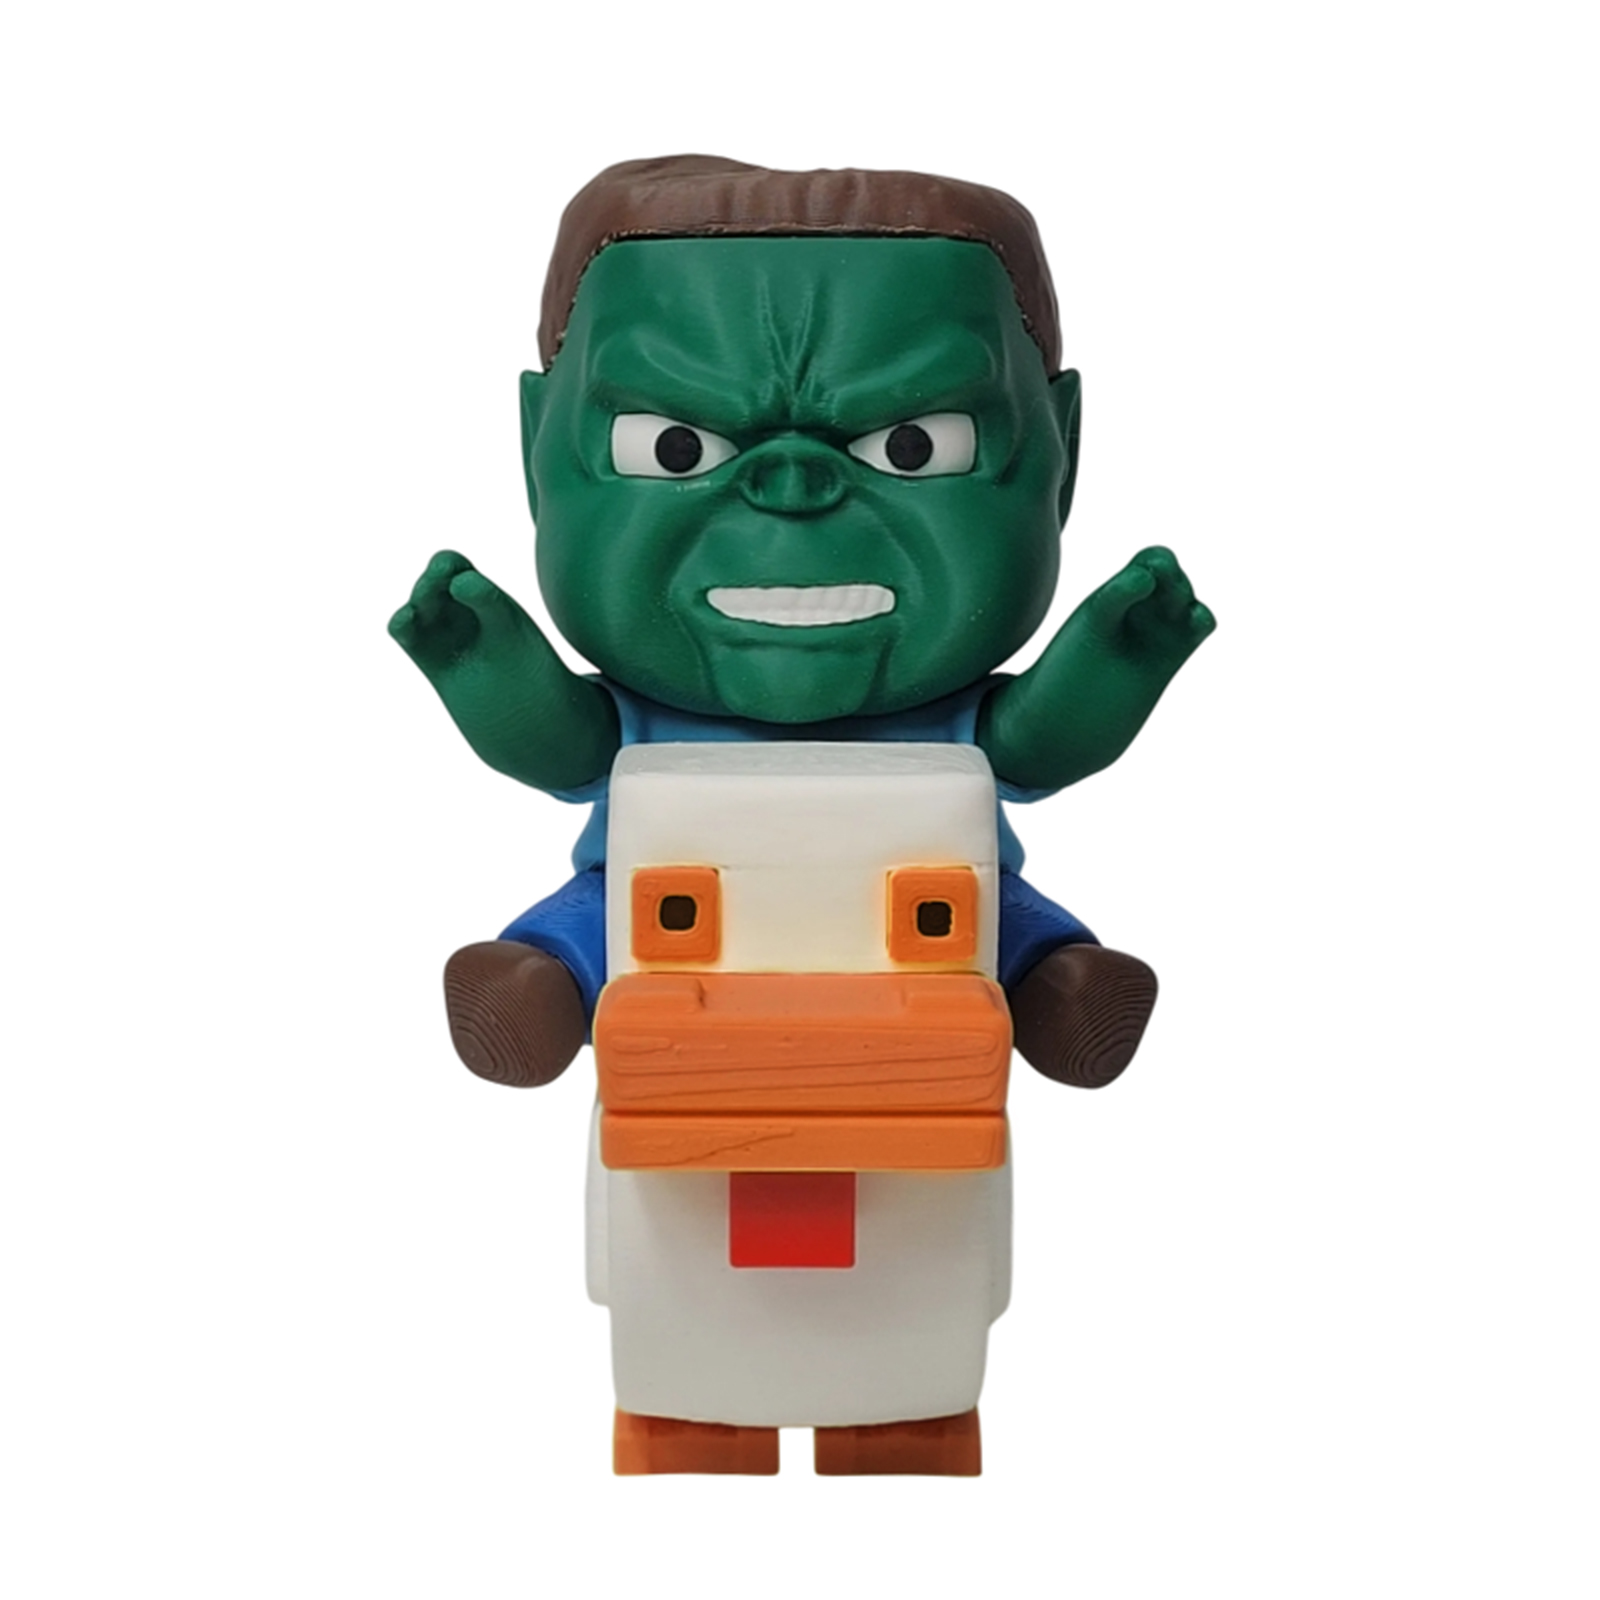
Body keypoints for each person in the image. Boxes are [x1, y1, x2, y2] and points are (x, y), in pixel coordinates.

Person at [389, 156, 1215, 1091]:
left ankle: (1056, 990)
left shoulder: (949, 724)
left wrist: (1118, 656)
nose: (790, 494)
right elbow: (564, 748)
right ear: (536, 454)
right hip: (660, 912)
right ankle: (544, 986)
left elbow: (1034, 747)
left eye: (914, 446)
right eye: (674, 447)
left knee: (1003, 926)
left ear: (1060, 455)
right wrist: (481, 662)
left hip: (939, 917)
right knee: (593, 923)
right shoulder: (645, 727)